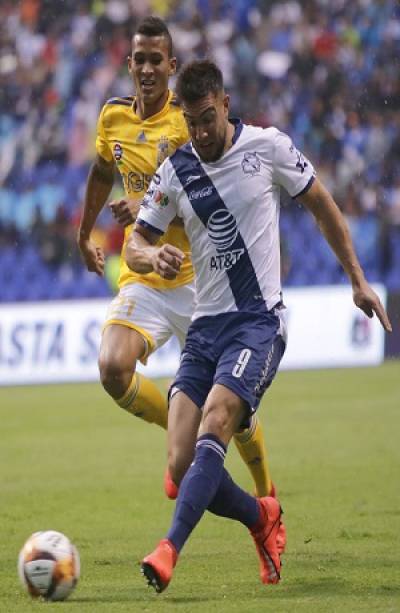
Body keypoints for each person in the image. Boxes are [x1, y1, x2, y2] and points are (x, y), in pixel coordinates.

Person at [125, 59, 392, 593]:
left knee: (217, 421)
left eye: (206, 119)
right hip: (206, 327)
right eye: (190, 122)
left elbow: (322, 205)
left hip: (257, 323)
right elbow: (134, 242)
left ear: (224, 105)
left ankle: (168, 548)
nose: (199, 133)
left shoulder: (268, 147)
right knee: (179, 465)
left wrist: (358, 280)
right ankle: (260, 516)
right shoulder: (177, 169)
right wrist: (150, 257)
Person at [77, 17, 278, 501]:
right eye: (138, 59)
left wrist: (151, 212)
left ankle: (268, 493)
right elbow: (103, 170)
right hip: (146, 271)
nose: (146, 68)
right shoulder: (112, 118)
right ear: (129, 65)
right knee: (111, 367)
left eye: (155, 60)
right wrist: (85, 234)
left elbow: (213, 201)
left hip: (202, 283)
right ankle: (181, 428)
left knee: (239, 411)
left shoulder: (189, 121)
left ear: (171, 65)